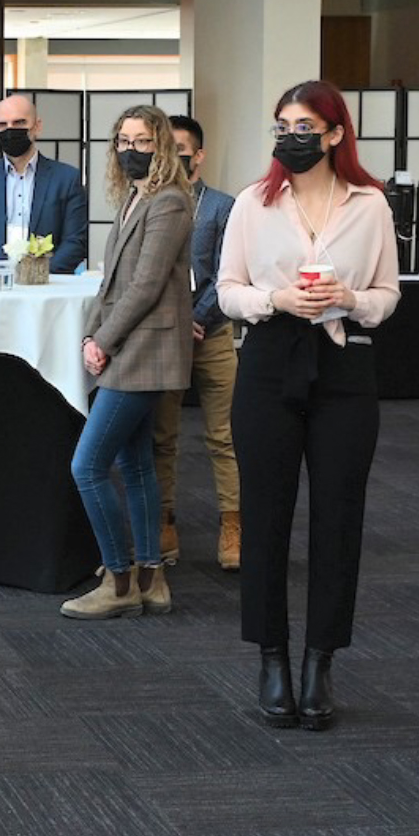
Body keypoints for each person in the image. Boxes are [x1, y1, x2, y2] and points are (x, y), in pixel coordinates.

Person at [218, 80, 400, 732]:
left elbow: (388, 295)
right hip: (269, 363)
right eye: (282, 126)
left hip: (344, 366)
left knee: (338, 519)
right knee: (265, 518)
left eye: (304, 126)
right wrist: (276, 301)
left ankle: (322, 659)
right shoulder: (252, 204)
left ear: (334, 134)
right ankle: (272, 657)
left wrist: (349, 297)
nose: (291, 137)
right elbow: (228, 290)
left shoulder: (370, 204)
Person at [61, 106, 194, 620]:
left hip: (146, 351)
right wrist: (93, 334)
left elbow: (146, 285)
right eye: (122, 140)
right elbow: (110, 282)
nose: (129, 149)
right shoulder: (134, 197)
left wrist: (105, 340)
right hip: (125, 347)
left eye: (141, 141)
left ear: (160, 146)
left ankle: (118, 581)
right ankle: (151, 579)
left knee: (87, 466)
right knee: (136, 467)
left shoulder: (170, 202)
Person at [150, 113, 242, 571]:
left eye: (182, 152)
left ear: (199, 155)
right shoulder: (150, 203)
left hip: (214, 335)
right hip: (165, 340)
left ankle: (233, 524)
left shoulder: (224, 206)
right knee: (163, 436)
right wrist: (174, 321)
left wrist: (196, 319)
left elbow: (229, 273)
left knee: (224, 436)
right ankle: (165, 519)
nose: (174, 159)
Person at [0, 92, 88, 274]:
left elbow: (76, 240)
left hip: (45, 288)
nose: (10, 130)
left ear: (37, 126)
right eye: (2, 124)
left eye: (19, 123)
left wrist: (39, 276)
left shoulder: (66, 179)